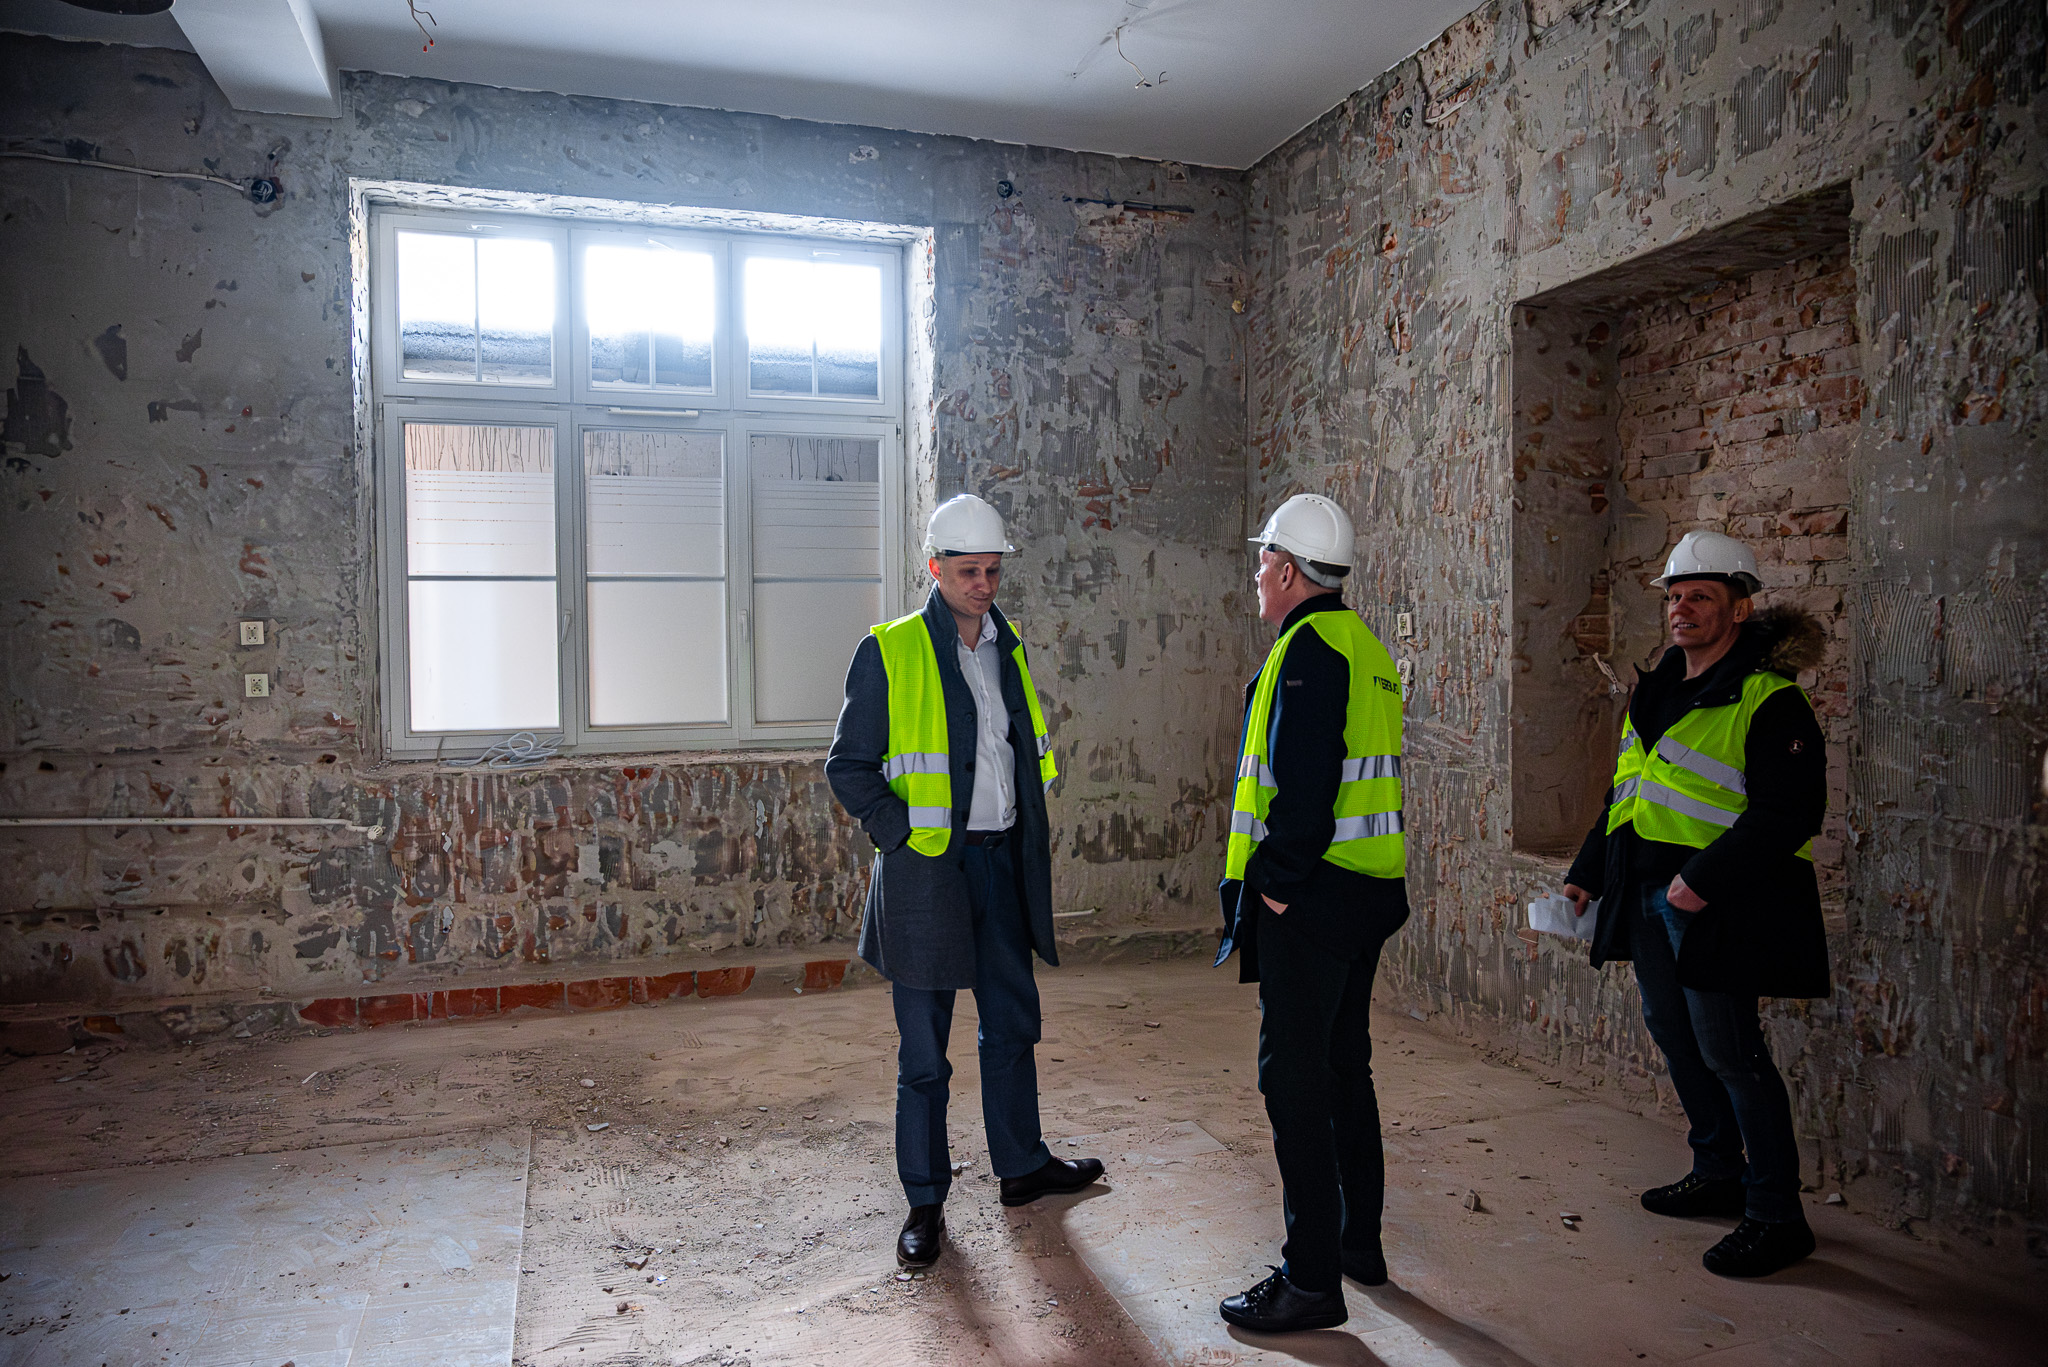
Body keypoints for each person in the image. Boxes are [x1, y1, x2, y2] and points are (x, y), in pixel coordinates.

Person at [826, 493, 1106, 1271]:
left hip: (999, 863)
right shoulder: (890, 650)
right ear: (935, 567)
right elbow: (848, 766)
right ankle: (925, 1200)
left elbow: (1018, 753)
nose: (983, 585)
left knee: (1011, 1024)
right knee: (925, 1051)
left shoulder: (1006, 649)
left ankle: (1022, 1166)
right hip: (926, 875)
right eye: (968, 572)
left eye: (992, 571)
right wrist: (900, 835)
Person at [1563, 528, 1831, 1278]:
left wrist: (1702, 881)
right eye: (1674, 596)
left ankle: (1776, 1214)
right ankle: (1717, 1169)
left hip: (1718, 902)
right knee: (1675, 1036)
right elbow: (1628, 789)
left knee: (1733, 1055)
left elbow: (1790, 814)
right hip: (1645, 891)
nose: (1681, 609)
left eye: (1700, 597)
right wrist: (1589, 869)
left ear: (1739, 608)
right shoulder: (1654, 689)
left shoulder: (1769, 699)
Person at [1213, 493, 1411, 1334]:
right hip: (1364, 893)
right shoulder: (1361, 644)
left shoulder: (1307, 651)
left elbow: (1304, 786)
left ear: (1289, 570)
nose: (1257, 574)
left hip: (1315, 896)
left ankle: (1310, 1278)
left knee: (1292, 1079)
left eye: (1264, 560)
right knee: (1341, 1068)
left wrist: (1275, 883)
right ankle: (1356, 1243)